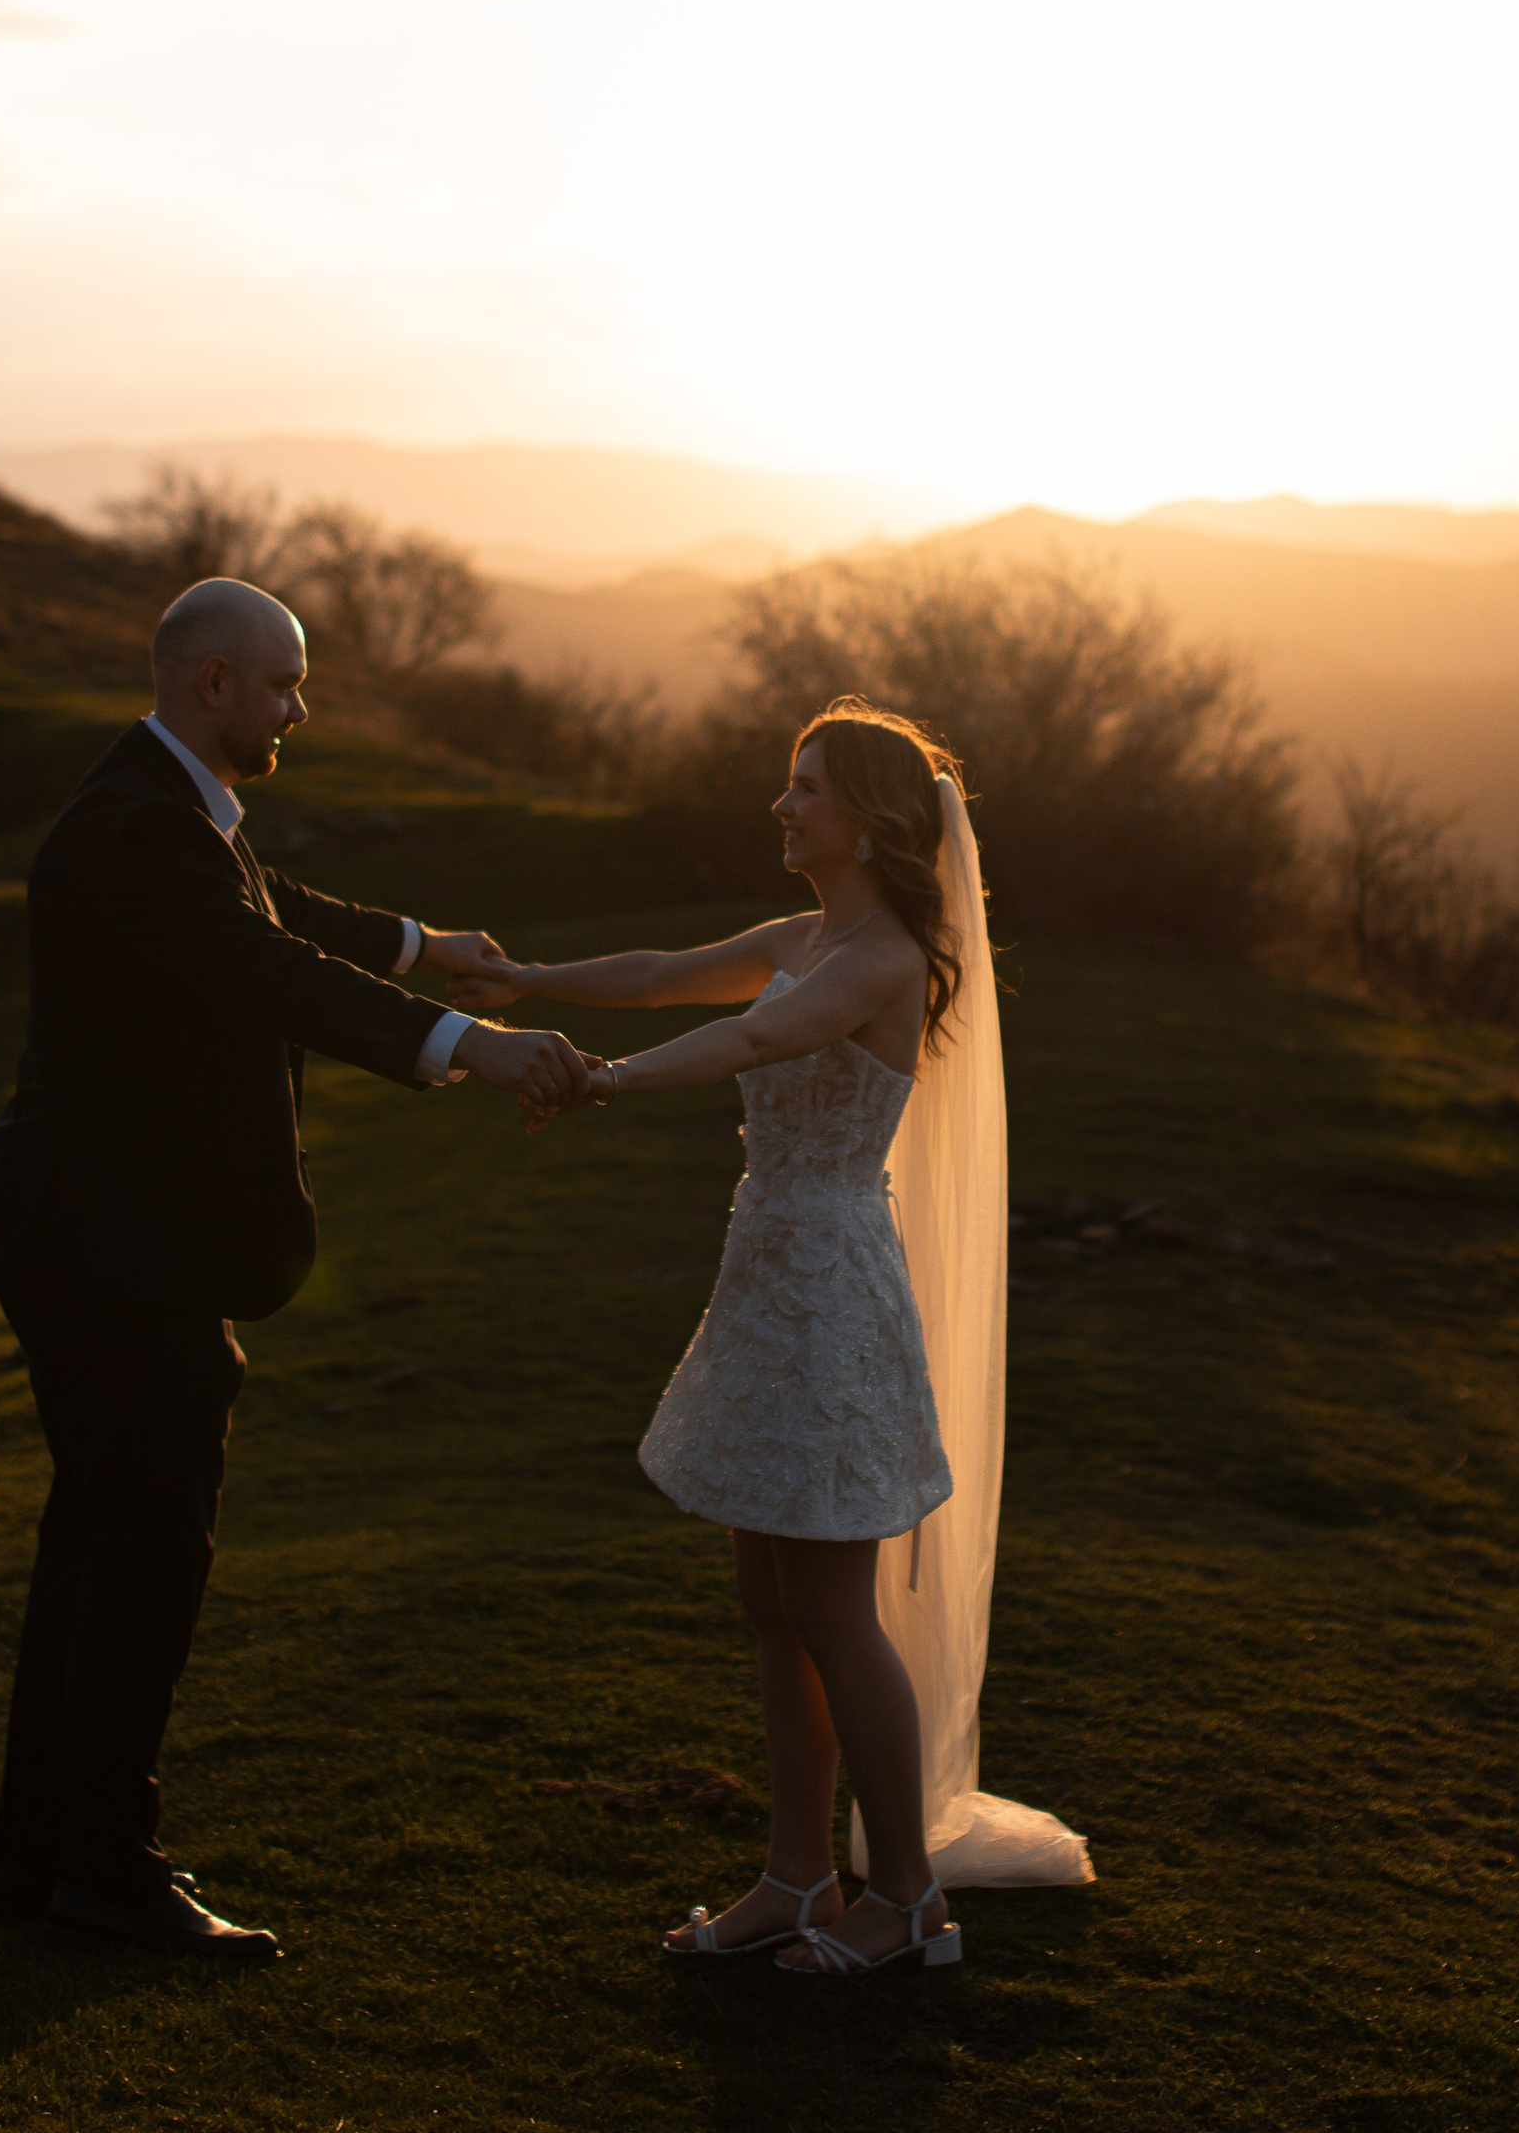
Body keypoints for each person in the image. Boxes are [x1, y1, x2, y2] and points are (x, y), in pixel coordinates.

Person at [0, 574, 598, 1962]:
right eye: (286, 685)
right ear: (213, 685)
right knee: (145, 1545)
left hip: (102, 1225)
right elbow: (259, 964)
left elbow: (270, 904)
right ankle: (108, 1878)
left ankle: (41, 1863)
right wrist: (467, 1045)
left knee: (98, 1540)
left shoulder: (166, 804)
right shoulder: (139, 827)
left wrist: (425, 945)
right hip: (106, 1233)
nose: (300, 708)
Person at [454, 700, 1089, 1973]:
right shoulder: (808, 933)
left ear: (872, 816)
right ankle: (795, 1876)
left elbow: (755, 1035)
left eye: (805, 788)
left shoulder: (884, 957)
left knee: (831, 1604)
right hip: (768, 1275)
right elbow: (656, 974)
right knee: (767, 1595)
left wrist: (601, 1081)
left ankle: (906, 1898)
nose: (781, 807)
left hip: (835, 1292)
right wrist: (527, 983)